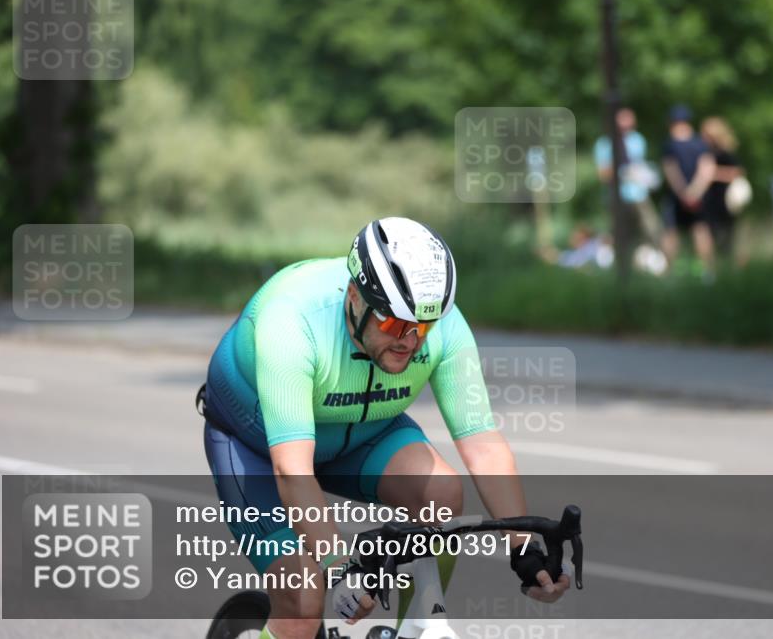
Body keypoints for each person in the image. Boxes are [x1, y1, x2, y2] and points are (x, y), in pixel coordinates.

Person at [197, 217, 569, 639]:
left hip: (360, 433)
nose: (410, 341)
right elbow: (292, 471)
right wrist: (339, 565)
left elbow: (483, 445)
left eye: (422, 327)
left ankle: (417, 627)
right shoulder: (293, 320)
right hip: (257, 448)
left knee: (442, 495)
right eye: (395, 325)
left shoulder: (442, 324)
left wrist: (523, 545)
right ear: (354, 298)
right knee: (304, 601)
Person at [661, 104, 716, 276]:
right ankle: (708, 273)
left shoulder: (669, 145)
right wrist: (696, 192)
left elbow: (671, 171)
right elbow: (707, 169)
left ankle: (667, 274)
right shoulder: (700, 144)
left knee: (671, 233)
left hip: (677, 197)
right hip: (698, 197)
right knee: (701, 230)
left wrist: (683, 193)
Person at [594, 107, 662, 245]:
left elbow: (640, 166)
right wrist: (623, 172)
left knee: (652, 228)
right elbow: (602, 174)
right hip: (617, 195)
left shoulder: (638, 140)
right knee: (619, 232)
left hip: (638, 193)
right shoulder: (604, 143)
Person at [700, 117, 744, 258]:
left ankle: (725, 264)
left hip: (725, 199)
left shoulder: (725, 153)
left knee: (725, 236)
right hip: (710, 200)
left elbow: (736, 173)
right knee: (710, 234)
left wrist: (713, 174)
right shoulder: (706, 152)